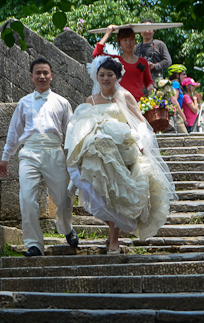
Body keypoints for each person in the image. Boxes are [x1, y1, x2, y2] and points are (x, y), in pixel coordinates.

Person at [65, 56, 177, 254]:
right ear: (96, 77)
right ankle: (113, 233)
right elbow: (83, 125)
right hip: (98, 152)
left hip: (122, 149)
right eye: (102, 75)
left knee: (117, 193)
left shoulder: (124, 97)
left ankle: (114, 240)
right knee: (102, 194)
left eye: (110, 75)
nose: (106, 78)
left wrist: (141, 142)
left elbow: (141, 121)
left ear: (117, 77)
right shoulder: (90, 100)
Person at [0, 58, 78, 257]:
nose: (42, 76)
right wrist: (6, 156)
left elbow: (73, 131)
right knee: (27, 198)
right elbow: (14, 132)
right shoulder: (24, 103)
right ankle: (34, 244)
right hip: (29, 152)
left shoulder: (62, 102)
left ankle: (67, 229)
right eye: (38, 73)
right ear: (31, 76)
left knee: (62, 199)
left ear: (51, 76)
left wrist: (78, 155)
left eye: (45, 73)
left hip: (54, 150)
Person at [93, 24, 154, 101]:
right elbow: (96, 54)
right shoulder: (115, 60)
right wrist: (108, 33)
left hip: (138, 103)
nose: (128, 43)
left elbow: (149, 81)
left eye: (131, 39)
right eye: (124, 40)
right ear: (119, 42)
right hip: (119, 102)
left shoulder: (143, 62)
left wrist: (150, 87)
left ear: (135, 41)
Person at [166, 64, 189, 134]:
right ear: (177, 75)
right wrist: (183, 116)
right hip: (176, 115)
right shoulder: (175, 84)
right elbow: (174, 100)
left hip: (173, 114)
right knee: (186, 137)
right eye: (183, 74)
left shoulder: (171, 84)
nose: (185, 76)